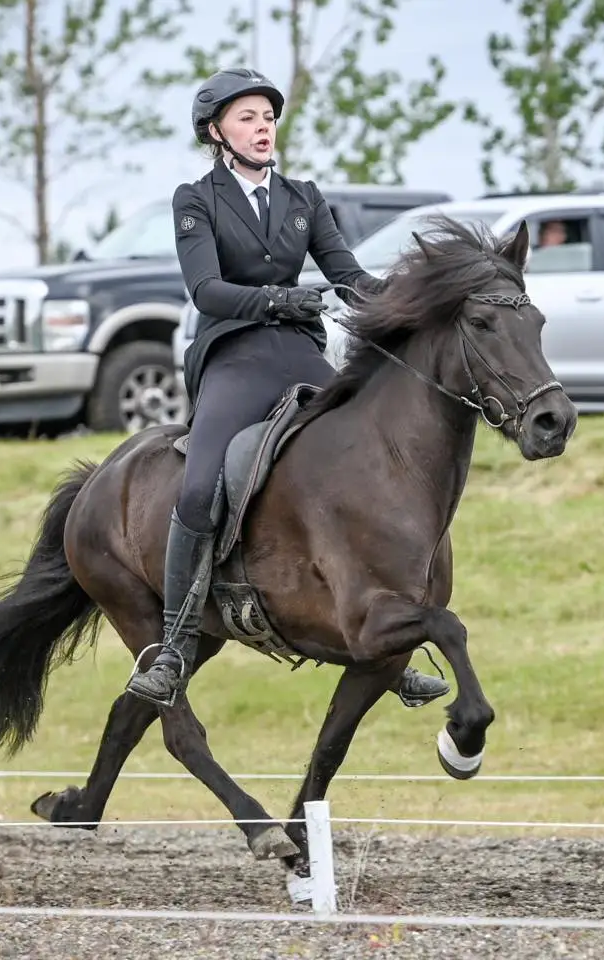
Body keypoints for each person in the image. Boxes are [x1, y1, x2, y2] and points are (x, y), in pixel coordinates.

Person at [125, 67, 450, 709]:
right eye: (246, 117)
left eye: (267, 116)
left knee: (372, 464)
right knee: (199, 486)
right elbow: (206, 290)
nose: (262, 126)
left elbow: (347, 273)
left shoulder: (303, 197)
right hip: (236, 356)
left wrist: (406, 300)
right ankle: (173, 646)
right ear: (217, 132)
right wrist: (279, 298)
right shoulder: (196, 199)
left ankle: (389, 640)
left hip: (300, 355)